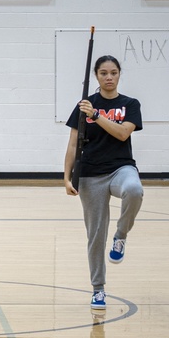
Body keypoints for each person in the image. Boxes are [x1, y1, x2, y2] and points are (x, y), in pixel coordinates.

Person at [63, 55, 144, 310]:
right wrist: (66, 177)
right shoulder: (83, 106)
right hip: (90, 174)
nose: (109, 77)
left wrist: (96, 115)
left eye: (113, 72)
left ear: (120, 74)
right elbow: (73, 144)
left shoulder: (130, 104)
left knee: (134, 190)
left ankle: (121, 235)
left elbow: (122, 133)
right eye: (103, 73)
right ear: (96, 76)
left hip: (121, 168)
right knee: (95, 235)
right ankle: (98, 289)